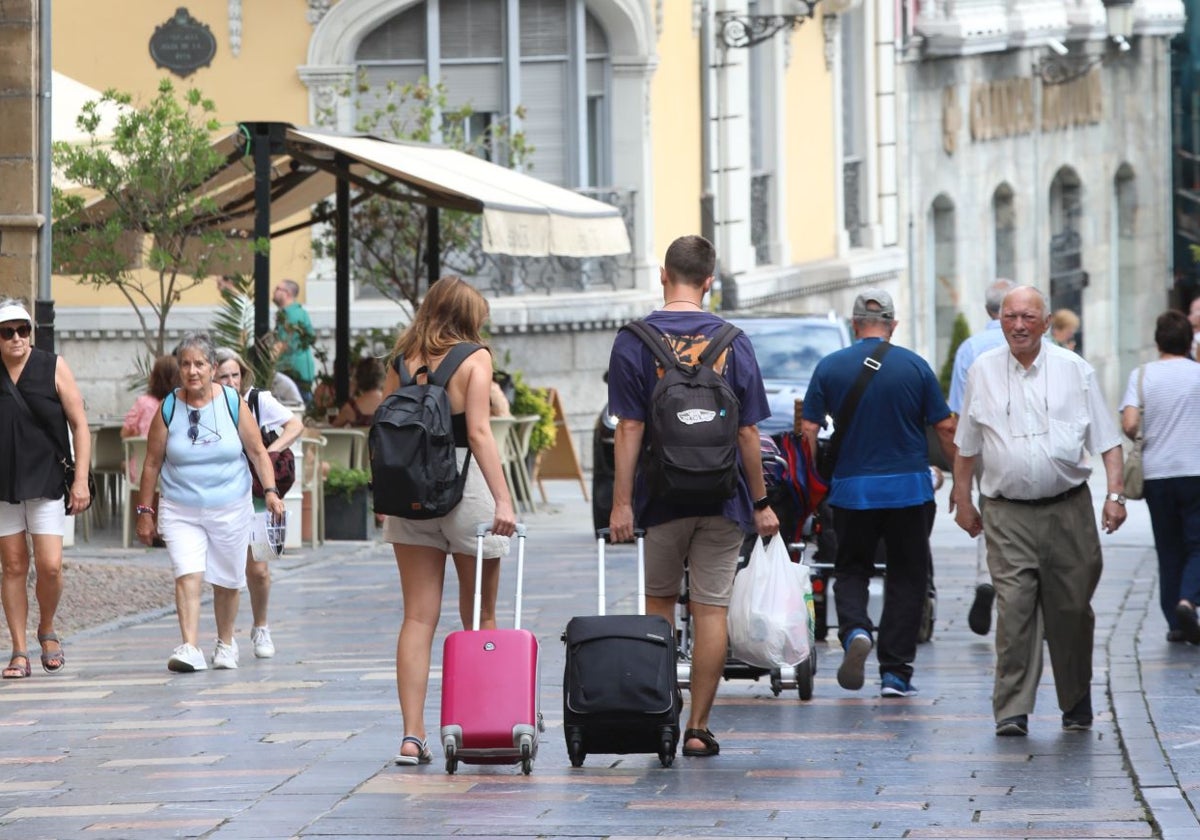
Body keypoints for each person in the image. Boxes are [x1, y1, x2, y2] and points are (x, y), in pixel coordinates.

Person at [608, 234, 779, 758]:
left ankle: (663, 712)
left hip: (661, 498)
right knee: (711, 610)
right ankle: (699, 728)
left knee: (658, 602)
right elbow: (749, 433)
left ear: (663, 274)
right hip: (723, 497)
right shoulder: (733, 340)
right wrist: (761, 501)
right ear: (709, 282)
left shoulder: (634, 339)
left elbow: (630, 427)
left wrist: (621, 503)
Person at [951, 285, 1126, 737]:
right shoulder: (983, 371)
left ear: (1046, 324)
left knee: (1070, 610)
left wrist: (1115, 495)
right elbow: (966, 445)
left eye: (1028, 317)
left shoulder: (1075, 370)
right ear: (1000, 320)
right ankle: (1011, 709)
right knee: (1014, 609)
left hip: (1068, 511)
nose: (1018, 325)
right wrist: (964, 499)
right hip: (1006, 513)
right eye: (1010, 317)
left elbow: (1108, 441)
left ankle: (1075, 697)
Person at [382, 276, 517, 765]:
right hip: (465, 488)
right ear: (467, 318)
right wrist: (503, 500)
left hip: (409, 493)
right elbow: (479, 433)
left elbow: (385, 427)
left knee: (417, 617)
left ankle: (412, 736)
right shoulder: (475, 359)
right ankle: (481, 722)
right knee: (479, 616)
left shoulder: (401, 361)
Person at [801, 288, 955, 698]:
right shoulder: (916, 367)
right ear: (893, 325)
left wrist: (815, 479)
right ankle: (896, 673)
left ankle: (853, 631)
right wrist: (963, 482)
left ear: (854, 325)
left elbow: (809, 430)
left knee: (851, 567)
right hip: (910, 490)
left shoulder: (830, 366)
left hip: (852, 491)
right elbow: (944, 427)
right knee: (908, 576)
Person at [135, 332, 286, 673]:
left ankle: (226, 642)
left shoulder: (233, 402)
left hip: (231, 505)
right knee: (187, 573)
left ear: (212, 367)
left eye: (199, 364)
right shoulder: (169, 407)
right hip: (180, 507)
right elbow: (151, 464)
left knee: (228, 579)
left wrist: (272, 491)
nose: (192, 371)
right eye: (185, 364)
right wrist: (145, 512)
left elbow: (257, 451)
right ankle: (189, 646)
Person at [0, 300, 91, 679]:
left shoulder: (53, 366)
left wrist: (82, 479)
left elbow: (80, 425)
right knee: (13, 565)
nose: (18, 338)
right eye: (8, 332)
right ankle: (18, 649)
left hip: (48, 480)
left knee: (50, 565)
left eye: (24, 330)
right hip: (3, 485)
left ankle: (47, 628)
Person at [214, 348, 304, 659]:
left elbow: (295, 425)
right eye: (223, 376)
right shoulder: (208, 404)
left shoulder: (257, 400)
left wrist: (270, 453)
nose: (230, 381)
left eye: (235, 375)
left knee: (260, 569)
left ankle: (261, 626)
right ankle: (225, 638)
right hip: (223, 493)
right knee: (227, 568)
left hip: (257, 491)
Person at [1119, 310, 1200, 643]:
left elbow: (1128, 424)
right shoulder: (1198, 374)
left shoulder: (1141, 376)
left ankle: (1175, 623)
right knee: (1197, 544)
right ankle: (1187, 600)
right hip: (1196, 470)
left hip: (1156, 474)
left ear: (1157, 341)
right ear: (1189, 342)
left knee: (1167, 548)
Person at [947, 278, 1016, 636]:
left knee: (988, 511)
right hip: (1023, 443)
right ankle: (1014, 586)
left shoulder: (970, 348)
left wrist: (960, 483)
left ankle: (986, 579)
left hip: (983, 445)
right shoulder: (1037, 342)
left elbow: (957, 415)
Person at [122, 354, 180, 481]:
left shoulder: (143, 403)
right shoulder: (180, 404)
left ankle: (138, 501)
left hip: (142, 470)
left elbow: (124, 433)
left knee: (130, 465)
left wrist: (136, 433)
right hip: (174, 472)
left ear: (154, 377)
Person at [272, 279, 317, 405]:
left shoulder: (291, 315)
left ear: (286, 293)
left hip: (293, 372)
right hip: (298, 371)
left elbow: (283, 344)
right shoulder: (298, 312)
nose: (274, 292)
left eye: (277, 289)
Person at [330, 356, 385, 428]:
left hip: (361, 439)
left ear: (358, 378)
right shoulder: (392, 404)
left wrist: (352, 393)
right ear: (381, 377)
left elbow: (333, 429)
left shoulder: (351, 408)